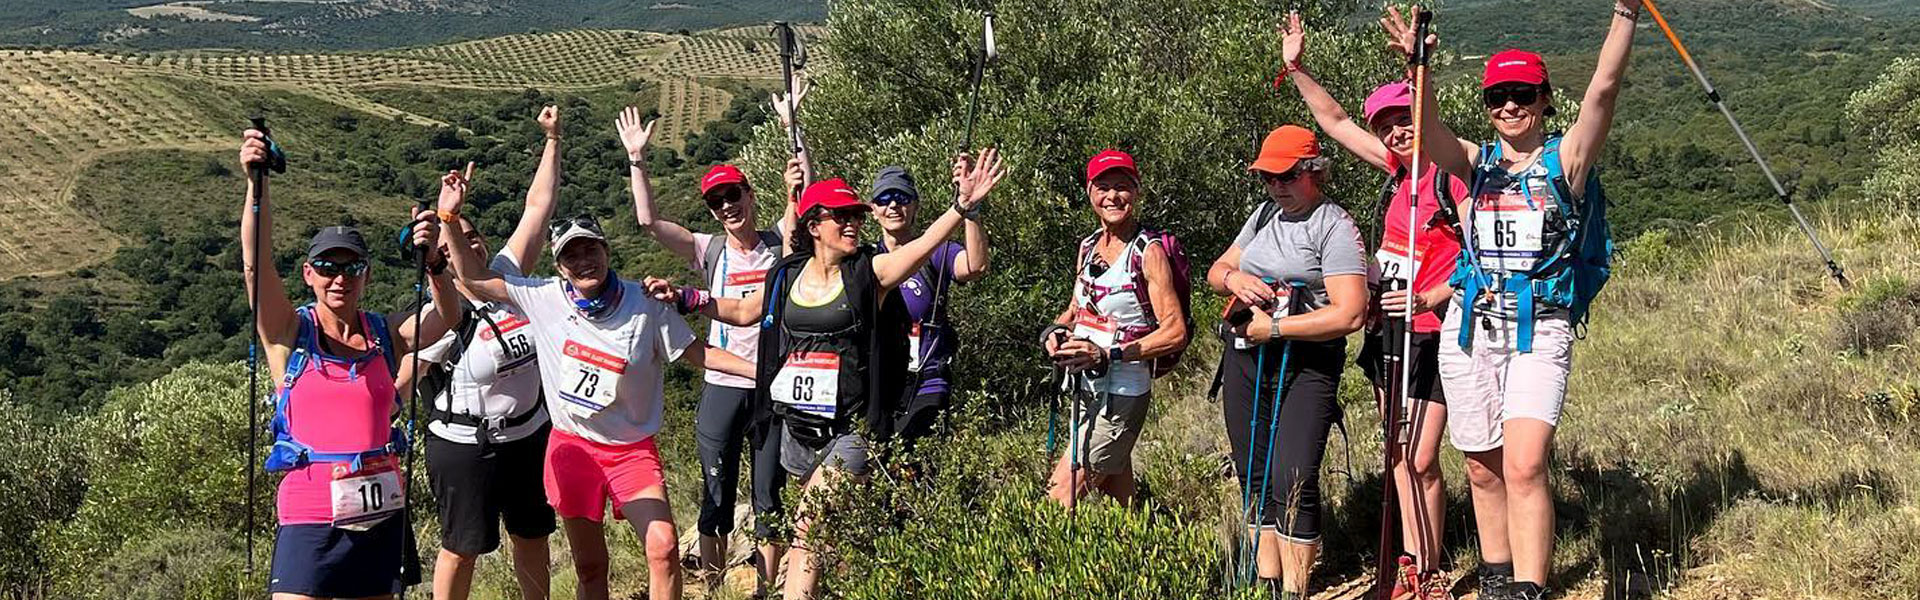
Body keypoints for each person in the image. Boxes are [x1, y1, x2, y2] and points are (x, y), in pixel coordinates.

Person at [647, 152, 1004, 600]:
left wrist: (962, 207)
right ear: (815, 226)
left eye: (857, 214)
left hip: (853, 426)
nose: (854, 222)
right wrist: (685, 297)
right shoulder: (786, 273)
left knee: (809, 521)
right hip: (800, 427)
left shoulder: (868, 273)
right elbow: (741, 311)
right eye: (843, 216)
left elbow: (920, 249)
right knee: (818, 538)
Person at [1397, 1, 1641, 597]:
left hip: (1541, 326)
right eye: (1497, 95)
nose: (1509, 105)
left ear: (1543, 99)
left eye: (1523, 94)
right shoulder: (1476, 164)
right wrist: (1418, 69)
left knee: (1525, 462)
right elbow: (1429, 137)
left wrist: (1626, 14)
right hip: (1471, 327)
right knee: (1482, 465)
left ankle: (1531, 587)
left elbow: (1603, 93)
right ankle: (1498, 576)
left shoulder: (1566, 162)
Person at [437, 169, 758, 600]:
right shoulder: (544, 297)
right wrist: (449, 219)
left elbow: (699, 354)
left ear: (607, 250)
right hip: (573, 448)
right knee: (590, 568)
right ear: (559, 265)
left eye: (591, 249)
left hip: (631, 452)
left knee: (663, 547)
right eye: (572, 255)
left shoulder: (645, 303)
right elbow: (474, 279)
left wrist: (762, 374)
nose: (584, 261)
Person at [1279, 12, 1464, 598]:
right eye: (1385, 126)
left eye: (1403, 120)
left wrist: (1436, 292)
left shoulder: (1451, 175)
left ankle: (1430, 571)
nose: (1394, 133)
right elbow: (1332, 121)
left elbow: (1482, 249)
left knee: (1422, 456)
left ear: (1420, 116)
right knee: (1399, 455)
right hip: (1391, 332)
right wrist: (1296, 68)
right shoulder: (1394, 173)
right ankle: (1412, 562)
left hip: (1436, 329)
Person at [240, 128, 458, 600]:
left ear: (366, 274)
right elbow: (256, 267)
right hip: (309, 513)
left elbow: (447, 316)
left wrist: (436, 261)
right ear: (309, 274)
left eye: (352, 267)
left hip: (380, 511)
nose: (340, 278)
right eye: (328, 267)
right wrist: (257, 187)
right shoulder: (288, 333)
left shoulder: (385, 333)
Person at [617, 104, 807, 586]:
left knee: (769, 494)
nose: (726, 205)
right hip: (723, 381)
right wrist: (637, 160)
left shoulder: (780, 242)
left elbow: (803, 192)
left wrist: (792, 129)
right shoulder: (708, 249)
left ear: (750, 194)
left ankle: (765, 590)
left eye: (733, 194)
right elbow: (648, 223)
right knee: (716, 492)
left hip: (772, 384)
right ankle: (717, 587)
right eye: (716, 200)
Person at [393, 106, 565, 600]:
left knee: (533, 534)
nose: (471, 243)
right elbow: (406, 376)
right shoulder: (441, 316)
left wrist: (553, 139)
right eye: (456, 240)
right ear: (442, 256)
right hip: (466, 447)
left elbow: (539, 208)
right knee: (462, 547)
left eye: (474, 235)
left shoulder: (508, 278)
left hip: (529, 435)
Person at [1204, 127, 1368, 600]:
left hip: (1307, 362)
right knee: (1254, 472)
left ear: (1313, 171)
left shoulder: (1334, 226)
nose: (1277, 185)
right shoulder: (1262, 216)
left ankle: (1297, 589)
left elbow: (1349, 312)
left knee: (1293, 473)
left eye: (1287, 175)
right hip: (1246, 359)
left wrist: (1274, 329)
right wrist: (1236, 279)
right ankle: (1266, 582)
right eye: (1268, 177)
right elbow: (1218, 270)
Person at [1039, 149, 1190, 509]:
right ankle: (1142, 555)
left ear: (1136, 192)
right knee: (1120, 502)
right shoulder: (1088, 246)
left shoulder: (1148, 252)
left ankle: (1042, 561)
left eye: (1122, 187)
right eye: (1103, 187)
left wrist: (1109, 353)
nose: (1113, 197)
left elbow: (1175, 331)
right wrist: (1055, 331)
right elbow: (1077, 308)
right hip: (1087, 388)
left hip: (1124, 392)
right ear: (1090, 192)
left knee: (1059, 496)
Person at [868, 161, 992, 444]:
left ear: (915, 206)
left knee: (919, 463)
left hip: (929, 379)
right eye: (884, 199)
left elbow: (975, 267)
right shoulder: (866, 260)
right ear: (873, 210)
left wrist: (971, 210)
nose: (893, 206)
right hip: (881, 382)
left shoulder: (939, 252)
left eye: (902, 198)